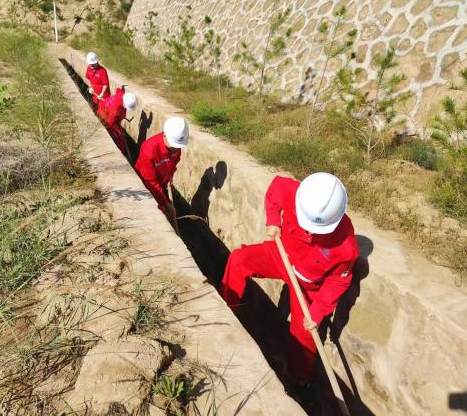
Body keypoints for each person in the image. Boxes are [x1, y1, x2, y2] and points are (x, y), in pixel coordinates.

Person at [220, 172, 359, 384]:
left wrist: (317, 312)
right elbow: (274, 191)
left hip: (307, 285)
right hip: (282, 255)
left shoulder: (346, 246)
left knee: (306, 334)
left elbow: (338, 281)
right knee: (239, 260)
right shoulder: (295, 193)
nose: (310, 232)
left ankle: (299, 380)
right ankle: (228, 312)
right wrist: (273, 220)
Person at [134, 116, 189, 221]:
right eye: (173, 146)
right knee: (159, 213)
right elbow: (151, 183)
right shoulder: (149, 150)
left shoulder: (176, 146)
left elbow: (174, 163)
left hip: (162, 182)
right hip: (146, 185)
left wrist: (170, 176)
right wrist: (166, 204)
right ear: (165, 135)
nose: (175, 149)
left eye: (178, 147)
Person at [97, 85, 137, 154]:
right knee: (118, 137)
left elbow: (118, 89)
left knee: (120, 135)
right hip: (105, 115)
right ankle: (121, 151)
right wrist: (117, 130)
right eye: (126, 107)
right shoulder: (115, 109)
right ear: (123, 102)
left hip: (109, 111)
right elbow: (110, 123)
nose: (127, 109)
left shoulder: (122, 95)